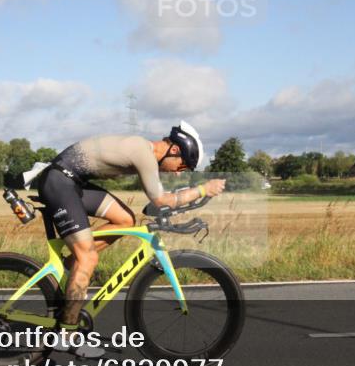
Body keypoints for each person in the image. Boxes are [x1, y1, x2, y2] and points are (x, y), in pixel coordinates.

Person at [33, 121, 226, 330]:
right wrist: (203, 190)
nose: (179, 173)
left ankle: (71, 265)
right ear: (174, 150)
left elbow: (162, 199)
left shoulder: (144, 151)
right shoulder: (143, 153)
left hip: (73, 182)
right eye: (182, 166)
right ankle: (67, 334)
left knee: (125, 219)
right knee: (87, 258)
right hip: (59, 181)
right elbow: (161, 200)